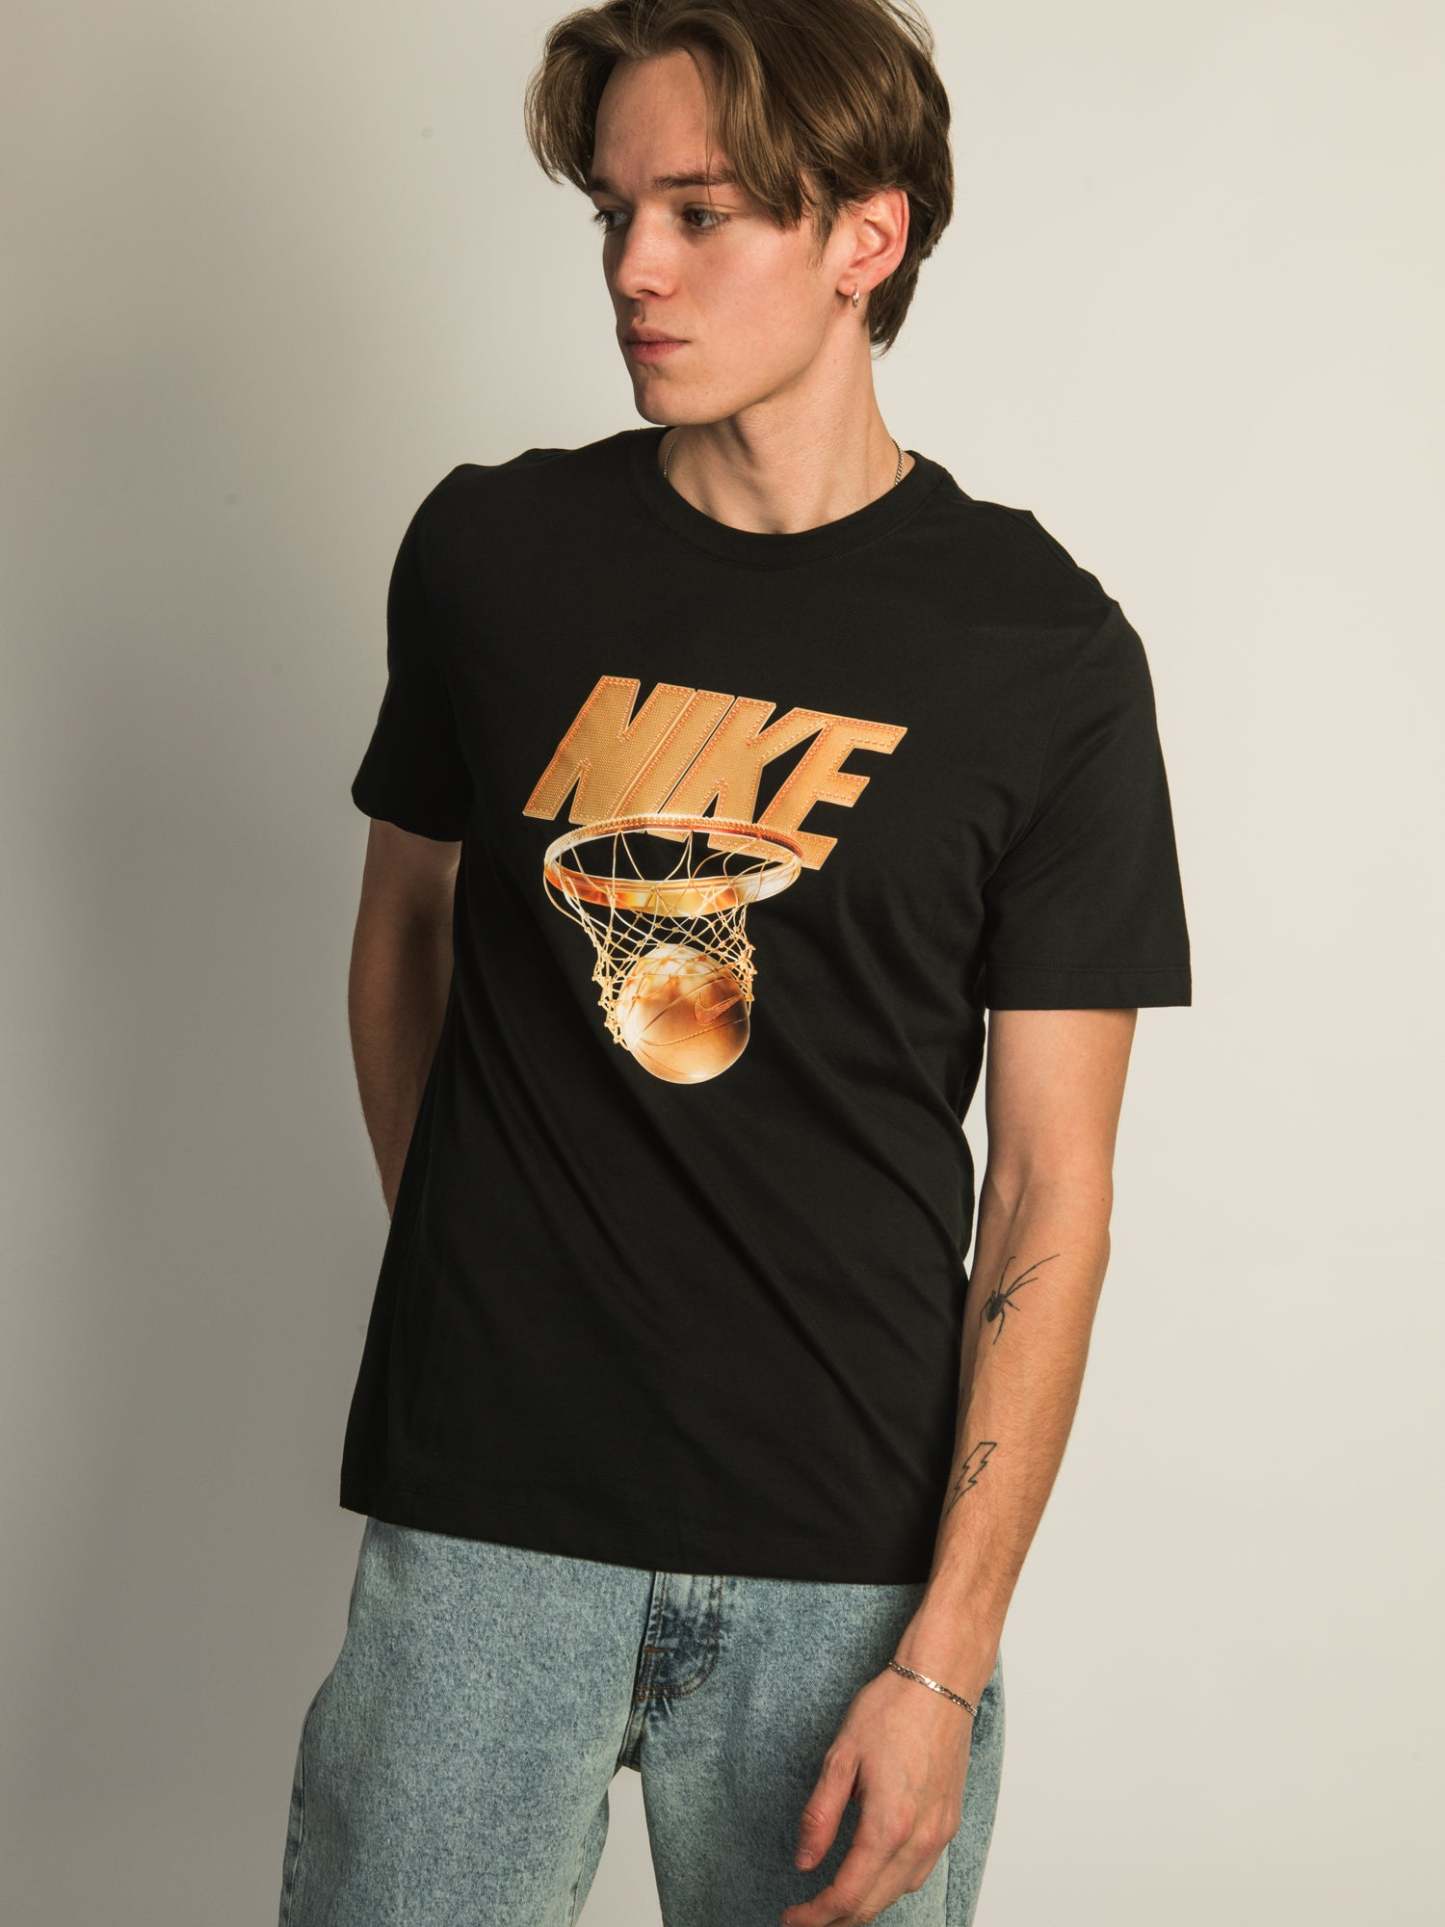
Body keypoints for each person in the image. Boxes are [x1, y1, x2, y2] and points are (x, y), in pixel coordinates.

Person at [276, 2, 1192, 1923]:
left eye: (697, 213)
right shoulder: (492, 554)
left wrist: (946, 1653)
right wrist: (479, 1262)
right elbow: (403, 936)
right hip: (485, 1523)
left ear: (865, 235)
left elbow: (1051, 1187)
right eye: (612, 211)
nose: (634, 267)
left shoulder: (1041, 656)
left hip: (847, 1565)